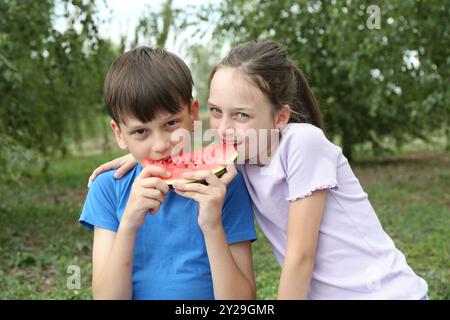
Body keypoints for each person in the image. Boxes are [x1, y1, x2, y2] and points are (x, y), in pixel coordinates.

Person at [88, 41, 428, 300]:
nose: (222, 128)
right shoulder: (240, 154)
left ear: (279, 117)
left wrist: (149, 141)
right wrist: (145, 155)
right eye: (216, 111)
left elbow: (300, 258)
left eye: (241, 115)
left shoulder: (302, 144)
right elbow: (187, 131)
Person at [79, 46, 257, 300]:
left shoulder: (223, 184)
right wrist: (128, 223)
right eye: (141, 131)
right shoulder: (108, 188)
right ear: (119, 133)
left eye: (171, 124)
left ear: (193, 114)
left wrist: (212, 225)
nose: (161, 145)